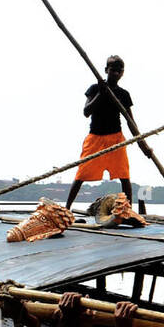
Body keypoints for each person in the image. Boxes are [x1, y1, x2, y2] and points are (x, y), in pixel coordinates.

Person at [65, 56, 134, 212]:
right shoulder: (95, 88)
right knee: (81, 174)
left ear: (122, 73)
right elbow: (86, 112)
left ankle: (128, 210)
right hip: (95, 138)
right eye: (113, 70)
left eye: (119, 70)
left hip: (116, 139)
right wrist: (101, 93)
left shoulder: (123, 94)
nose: (116, 73)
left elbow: (130, 120)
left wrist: (141, 142)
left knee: (124, 174)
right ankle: (67, 207)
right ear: (106, 70)